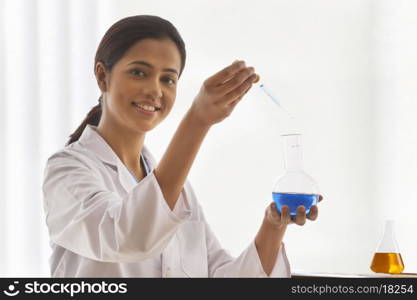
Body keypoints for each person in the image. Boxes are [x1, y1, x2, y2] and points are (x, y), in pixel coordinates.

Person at [42, 15, 321, 278]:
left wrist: (273, 226)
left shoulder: (178, 189)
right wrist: (197, 121)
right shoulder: (67, 172)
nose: (155, 90)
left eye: (168, 79)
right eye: (139, 72)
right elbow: (127, 237)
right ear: (103, 76)